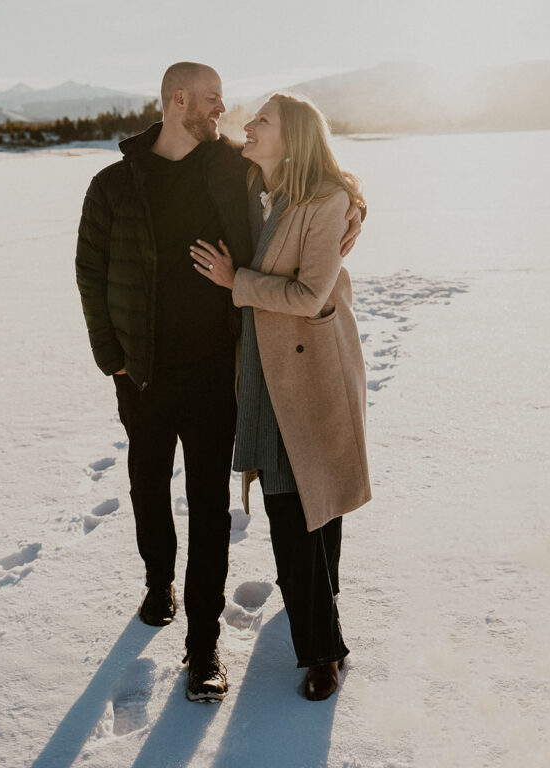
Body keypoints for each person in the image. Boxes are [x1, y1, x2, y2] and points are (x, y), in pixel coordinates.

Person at [76, 64, 363, 702]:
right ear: (178, 99)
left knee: (210, 508)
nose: (223, 111)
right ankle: (158, 583)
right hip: (142, 375)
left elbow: (312, 177)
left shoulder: (231, 169)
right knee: (147, 485)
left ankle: (202, 646)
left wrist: (353, 205)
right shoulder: (113, 185)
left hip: (218, 373)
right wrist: (112, 358)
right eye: (211, 101)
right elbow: (89, 274)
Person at [190, 92, 370, 702]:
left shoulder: (327, 202)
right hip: (263, 370)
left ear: (291, 137)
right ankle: (326, 601)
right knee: (301, 497)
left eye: (261, 120)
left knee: (299, 506)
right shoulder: (255, 187)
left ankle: (324, 652)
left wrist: (233, 282)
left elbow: (309, 295)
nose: (249, 125)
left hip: (310, 366)